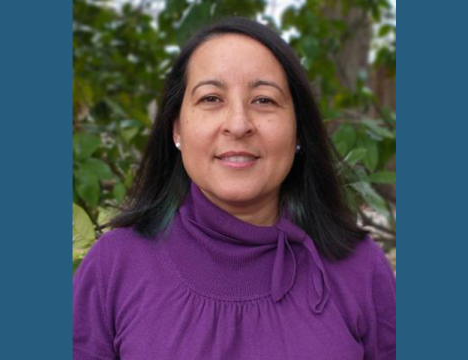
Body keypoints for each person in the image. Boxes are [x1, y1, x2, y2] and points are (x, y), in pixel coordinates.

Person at [73, 17, 396, 360]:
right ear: (177, 129)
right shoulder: (115, 266)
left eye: (263, 100)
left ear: (299, 131)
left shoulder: (359, 268)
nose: (239, 124)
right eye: (211, 98)